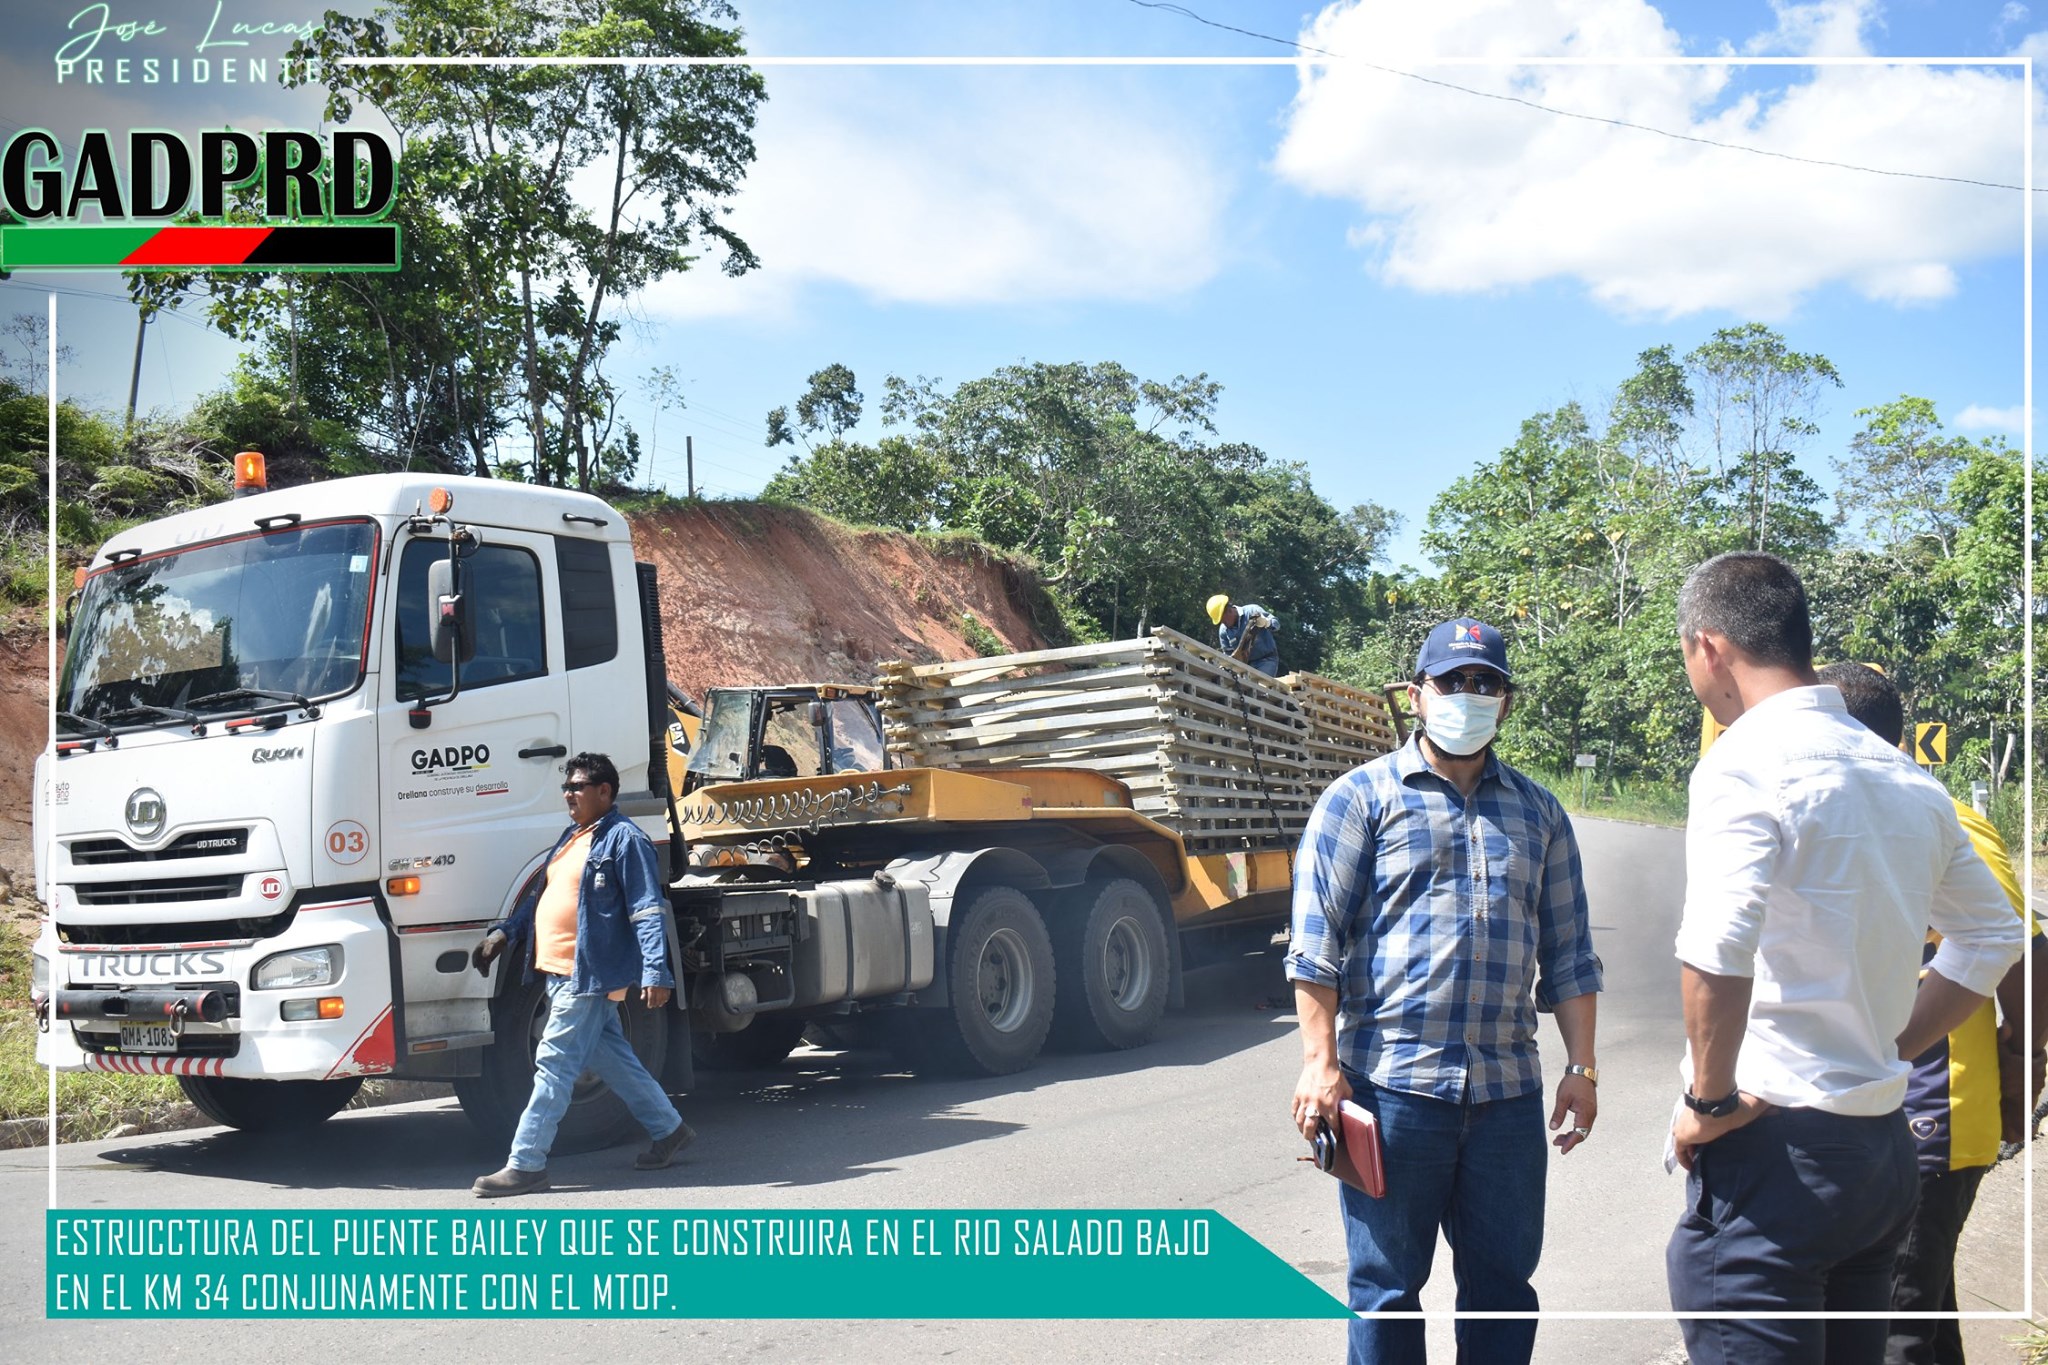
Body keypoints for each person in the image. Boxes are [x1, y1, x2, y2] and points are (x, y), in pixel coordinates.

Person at [1664, 554, 2024, 1365]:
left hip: (1778, 1155)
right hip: (1880, 1152)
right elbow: (1992, 936)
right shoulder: (1906, 777)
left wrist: (1709, 1100)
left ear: (1710, 647)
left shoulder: (1743, 762)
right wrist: (1888, 1044)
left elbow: (1716, 950)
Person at [1287, 615, 1602, 1365]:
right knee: (1386, 1290)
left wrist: (1582, 1068)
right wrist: (1319, 1063)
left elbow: (1570, 955)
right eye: (1452, 680)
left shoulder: (1540, 813)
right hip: (1393, 1090)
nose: (1469, 693)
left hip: (1506, 1097)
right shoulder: (1360, 799)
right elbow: (1315, 945)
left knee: (1503, 1289)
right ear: (1416, 695)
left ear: (1506, 701)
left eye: (1484, 682)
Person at [1816, 663, 2046, 1365]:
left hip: (1931, 1117)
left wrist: (2022, 1070)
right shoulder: (1844, 820)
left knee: (1897, 1324)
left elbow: (2026, 957)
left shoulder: (1943, 817)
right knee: (1923, 1313)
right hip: (1879, 1112)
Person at [469, 752, 693, 1197]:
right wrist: (505, 933)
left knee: (553, 1064)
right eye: (566, 788)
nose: (569, 795)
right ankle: (669, 1129)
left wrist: (656, 970)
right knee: (612, 1058)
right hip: (558, 973)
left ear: (604, 791)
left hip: (589, 974)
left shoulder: (625, 840)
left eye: (577, 787)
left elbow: (647, 909)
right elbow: (542, 896)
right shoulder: (573, 837)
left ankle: (526, 1164)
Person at [1206, 593, 1281, 676]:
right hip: (1243, 667)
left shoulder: (1252, 611)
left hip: (1266, 660)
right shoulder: (1223, 631)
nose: (1223, 623)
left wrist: (1266, 623)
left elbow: (1276, 624)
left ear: (1229, 610)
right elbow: (1228, 654)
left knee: (1260, 684)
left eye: (1223, 620)